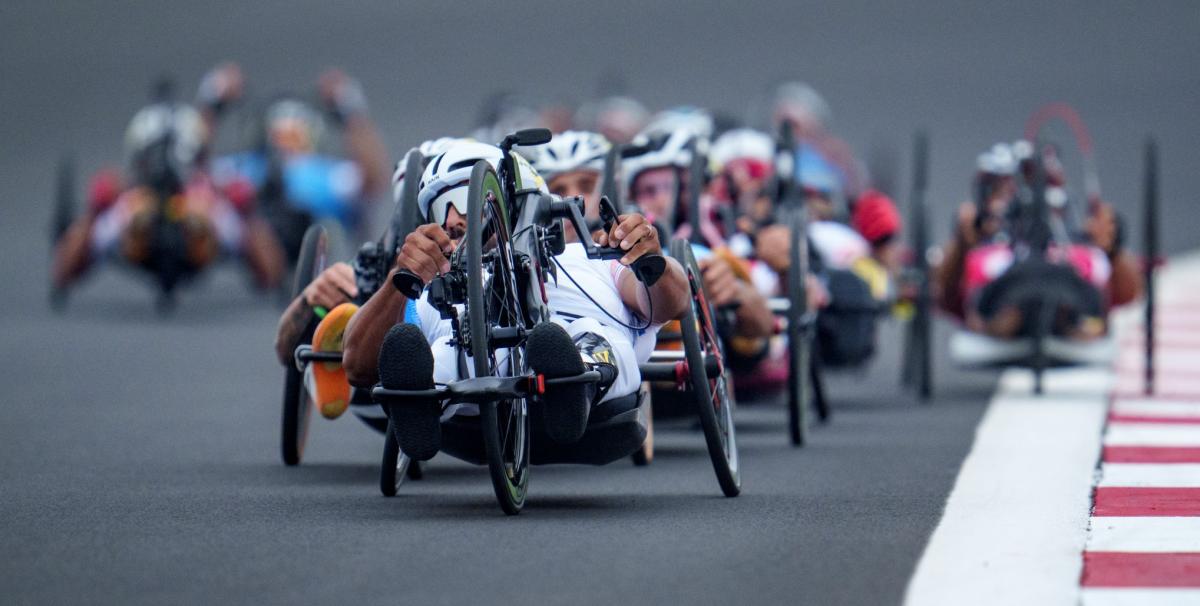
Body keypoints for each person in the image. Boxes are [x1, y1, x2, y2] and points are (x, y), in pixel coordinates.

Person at [341, 141, 691, 460]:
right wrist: (400, 279)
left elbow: (670, 304)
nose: (450, 219)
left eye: (463, 202)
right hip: (478, 399)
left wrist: (650, 260)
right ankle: (420, 402)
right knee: (444, 353)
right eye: (438, 209)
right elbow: (357, 365)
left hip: (591, 384)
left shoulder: (591, 259)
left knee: (588, 334)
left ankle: (573, 383)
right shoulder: (437, 286)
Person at [52, 93, 286, 297]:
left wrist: (247, 213)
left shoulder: (209, 203)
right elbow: (63, 272)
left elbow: (272, 274)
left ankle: (192, 234)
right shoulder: (128, 204)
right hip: (142, 226)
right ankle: (148, 232)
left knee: (200, 211)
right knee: (138, 211)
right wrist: (93, 212)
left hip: (199, 222)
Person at [935, 141, 1141, 339]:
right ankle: (1013, 320)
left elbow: (1126, 295)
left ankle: (1064, 320)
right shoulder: (982, 250)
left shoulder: (1082, 250)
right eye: (1003, 190)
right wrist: (961, 244)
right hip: (1006, 292)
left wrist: (1112, 249)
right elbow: (945, 295)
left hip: (1067, 289)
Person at [205, 64, 388, 247]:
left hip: (322, 264)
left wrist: (349, 108)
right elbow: (197, 176)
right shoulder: (247, 170)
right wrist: (212, 103)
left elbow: (373, 179)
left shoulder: (329, 175)